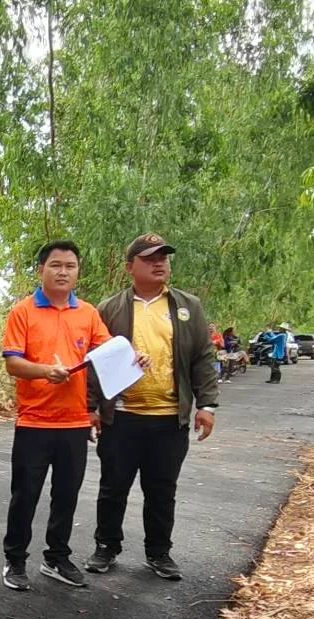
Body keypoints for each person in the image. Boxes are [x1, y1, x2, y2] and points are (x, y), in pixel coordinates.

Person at [85, 233, 220, 582]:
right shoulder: (110, 308)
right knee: (113, 487)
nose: (159, 263)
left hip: (169, 418)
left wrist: (207, 405)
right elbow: (96, 361)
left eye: (164, 257)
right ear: (130, 267)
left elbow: (203, 358)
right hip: (122, 417)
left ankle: (159, 552)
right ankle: (106, 546)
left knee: (162, 490)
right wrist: (91, 407)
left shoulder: (188, 306)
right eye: (150, 258)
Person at [0, 239, 112, 591]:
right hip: (34, 422)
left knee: (67, 495)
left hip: (75, 423)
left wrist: (134, 357)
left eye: (70, 266)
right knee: (25, 495)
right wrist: (46, 371)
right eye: (56, 265)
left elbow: (107, 353)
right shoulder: (23, 311)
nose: (63, 272)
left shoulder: (88, 313)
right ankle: (15, 560)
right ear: (41, 270)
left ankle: (57, 558)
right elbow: (13, 363)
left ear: (78, 272)